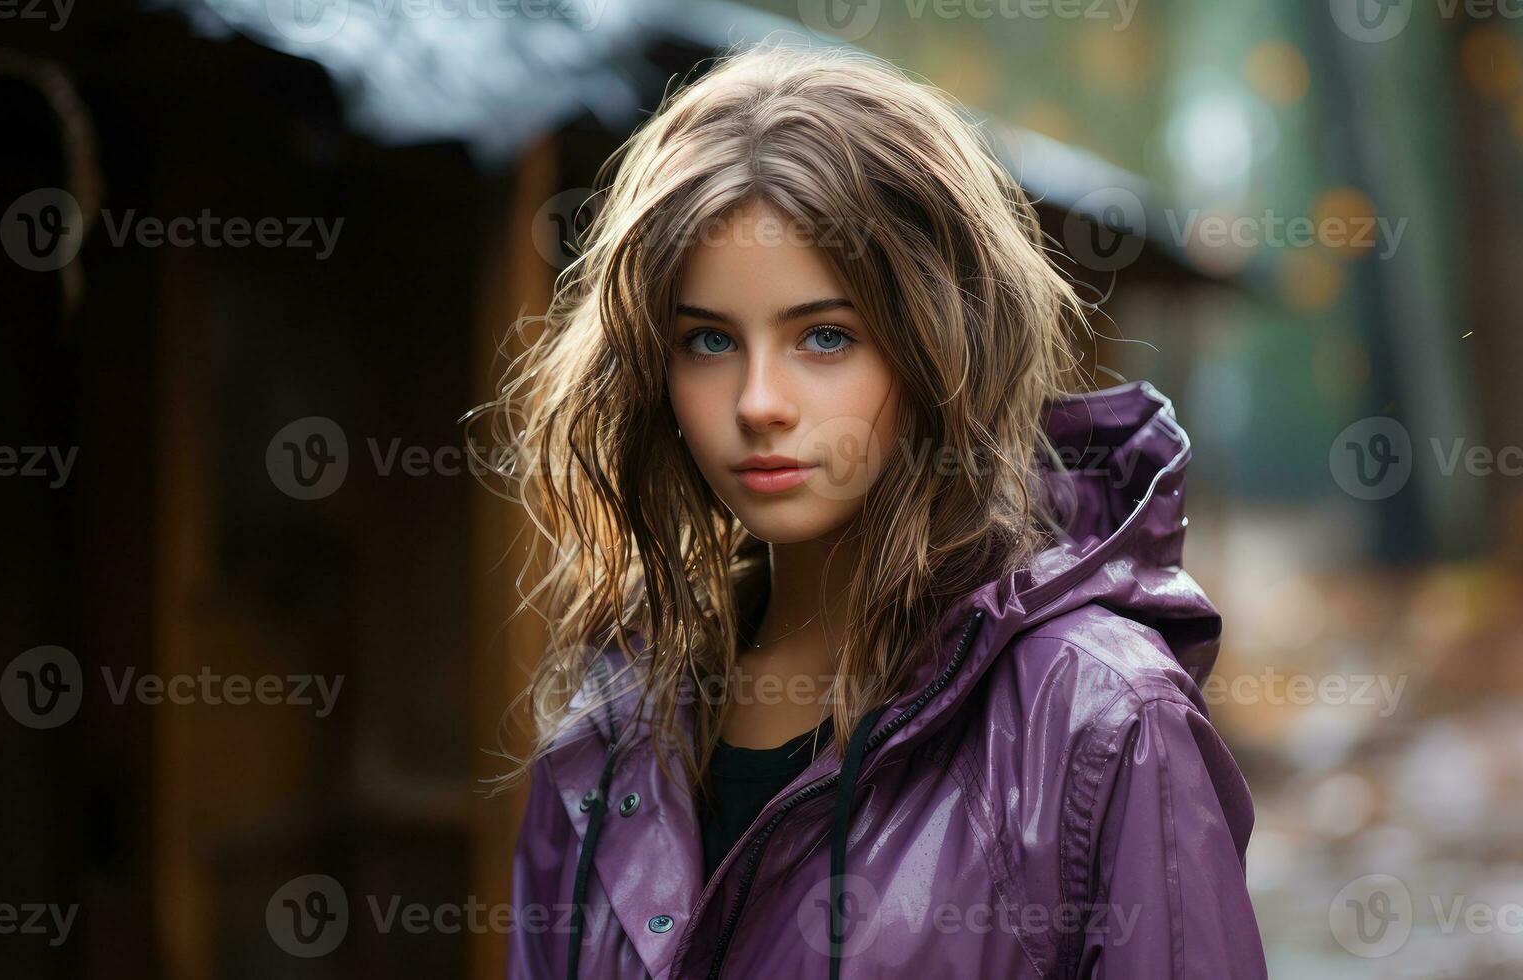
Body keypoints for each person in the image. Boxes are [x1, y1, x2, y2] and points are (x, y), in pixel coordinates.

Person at [475, 40, 1268, 980]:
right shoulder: (604, 739)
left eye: (823, 336)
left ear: (939, 346)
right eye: (707, 341)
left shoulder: (1104, 723)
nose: (757, 402)